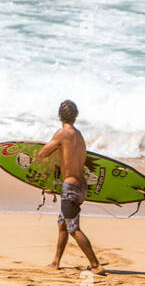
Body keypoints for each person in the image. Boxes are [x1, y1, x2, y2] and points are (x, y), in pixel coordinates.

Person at [37, 100, 103, 273]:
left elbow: (42, 153)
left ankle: (96, 265)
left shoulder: (61, 134)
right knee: (63, 224)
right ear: (76, 116)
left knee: (73, 228)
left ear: (60, 116)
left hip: (71, 188)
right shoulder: (79, 136)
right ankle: (55, 262)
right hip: (81, 187)